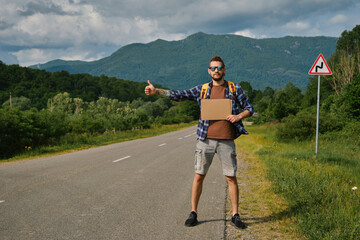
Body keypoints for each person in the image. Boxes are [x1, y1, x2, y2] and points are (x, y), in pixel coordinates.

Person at [144, 56, 254, 229]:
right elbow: (179, 95)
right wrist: (156, 91)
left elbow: (249, 108)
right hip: (205, 141)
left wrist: (238, 116)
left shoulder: (234, 88)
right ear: (208, 71)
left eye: (219, 68)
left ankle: (235, 215)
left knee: (231, 178)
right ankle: (193, 213)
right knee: (198, 176)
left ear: (224, 70)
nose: (216, 71)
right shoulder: (202, 90)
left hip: (227, 141)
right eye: (213, 68)